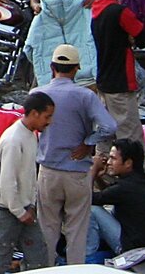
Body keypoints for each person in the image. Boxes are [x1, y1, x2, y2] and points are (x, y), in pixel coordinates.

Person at [34, 42, 117, 267]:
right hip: (77, 172)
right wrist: (88, 143)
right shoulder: (85, 96)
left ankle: (45, 270)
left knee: (47, 229)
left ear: (52, 67)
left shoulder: (38, 94)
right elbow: (110, 126)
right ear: (76, 69)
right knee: (77, 232)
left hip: (48, 171)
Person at [0, 91, 54, 274]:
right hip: (7, 211)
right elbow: (7, 182)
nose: (49, 121)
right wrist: (19, 212)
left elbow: (28, 176)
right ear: (34, 113)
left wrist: (30, 205)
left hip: (24, 208)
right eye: (47, 116)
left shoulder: (29, 135)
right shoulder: (14, 139)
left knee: (38, 258)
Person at [88, 138, 145, 265]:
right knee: (106, 209)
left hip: (132, 249)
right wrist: (99, 179)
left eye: (113, 159)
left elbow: (85, 199)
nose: (109, 163)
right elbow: (110, 195)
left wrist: (93, 170)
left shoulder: (125, 187)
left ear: (128, 163)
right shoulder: (142, 179)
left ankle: (88, 257)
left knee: (92, 210)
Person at [87, 0, 145, 141]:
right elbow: (143, 36)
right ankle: (132, 168)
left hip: (103, 80)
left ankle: (102, 166)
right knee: (130, 135)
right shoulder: (119, 12)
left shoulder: (95, 10)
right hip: (120, 81)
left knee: (105, 135)